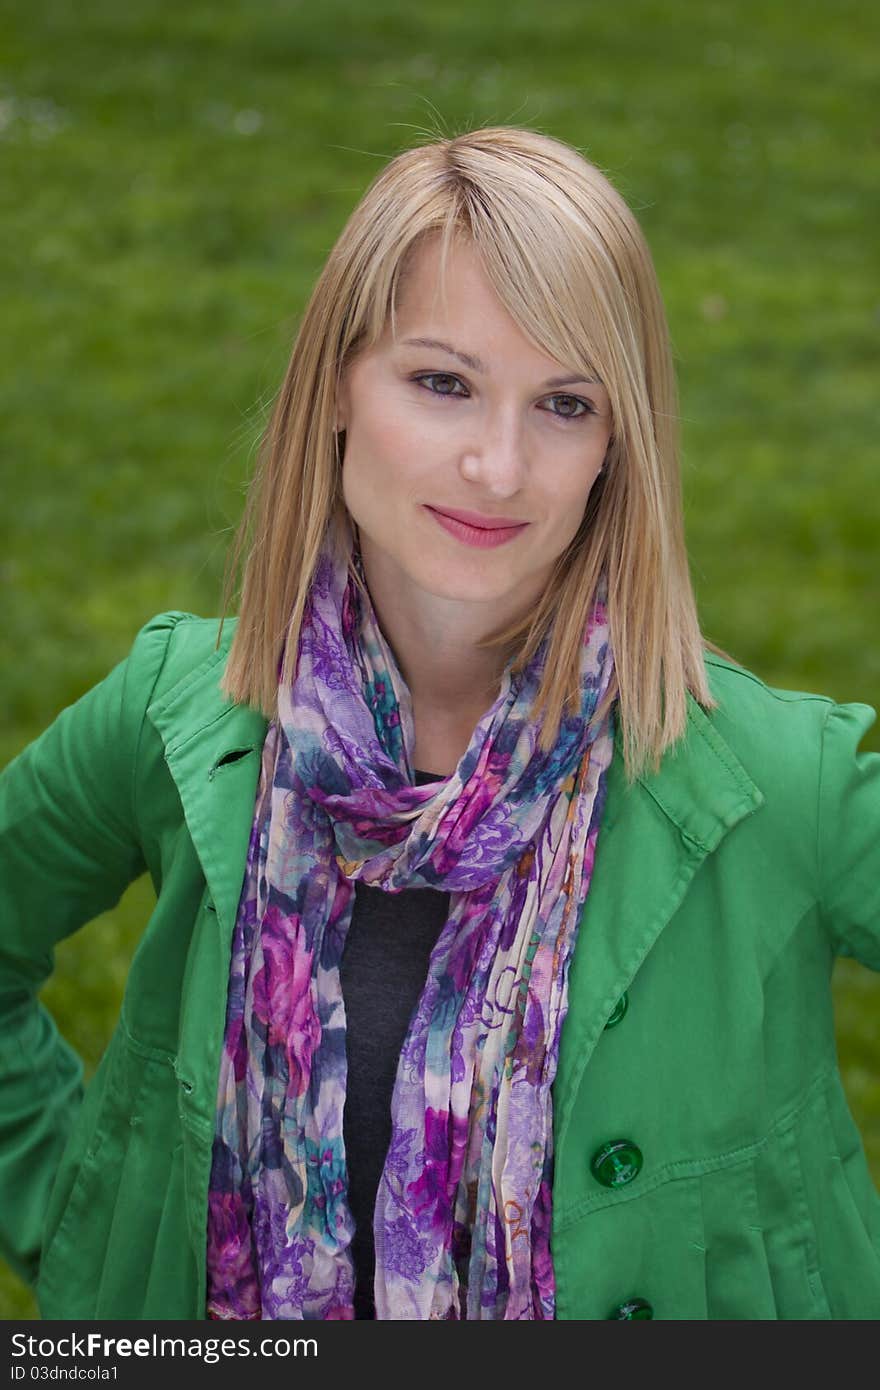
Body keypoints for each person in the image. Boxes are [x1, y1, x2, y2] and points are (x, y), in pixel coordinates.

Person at [1, 126, 878, 1322]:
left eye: (564, 403)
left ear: (617, 449)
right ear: (336, 392)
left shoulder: (777, 783)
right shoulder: (181, 715)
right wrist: (90, 1228)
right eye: (441, 381)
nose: (499, 465)